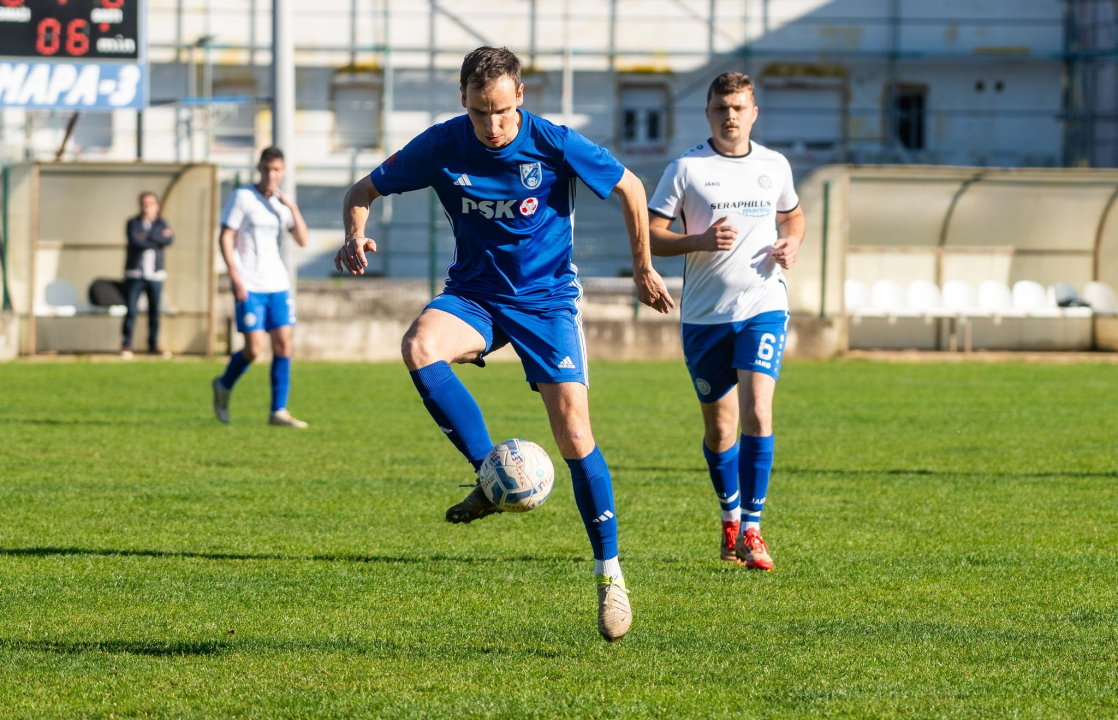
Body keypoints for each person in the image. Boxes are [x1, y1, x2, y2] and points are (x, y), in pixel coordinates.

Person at [336, 46, 674, 641]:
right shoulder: (442, 144)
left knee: (574, 436)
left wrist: (642, 268)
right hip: (475, 296)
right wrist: (355, 234)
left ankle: (610, 575)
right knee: (419, 346)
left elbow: (630, 185)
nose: (491, 126)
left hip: (546, 302)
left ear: (520, 95)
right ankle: (491, 474)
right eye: (478, 112)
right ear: (463, 102)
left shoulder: (553, 141)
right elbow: (362, 190)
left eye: (499, 111)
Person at [647, 72, 806, 571]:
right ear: (709, 112)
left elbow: (793, 216)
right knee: (721, 427)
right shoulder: (686, 169)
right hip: (703, 318)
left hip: (763, 305)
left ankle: (754, 529)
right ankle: (730, 520)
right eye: (721, 107)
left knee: (759, 410)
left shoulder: (774, 165)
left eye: (739, 107)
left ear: (754, 112)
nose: (730, 115)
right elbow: (652, 235)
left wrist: (792, 242)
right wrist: (697, 241)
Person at [212, 146, 310, 428]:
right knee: (254, 349)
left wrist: (292, 207)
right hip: (250, 284)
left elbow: (302, 240)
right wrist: (234, 274)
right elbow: (226, 236)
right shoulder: (243, 196)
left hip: (277, 284)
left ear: (283, 171)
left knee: (283, 345)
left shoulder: (281, 203)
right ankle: (223, 384)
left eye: (277, 169)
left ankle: (278, 411)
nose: (271, 174)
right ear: (259, 168)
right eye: (267, 169)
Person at [122, 192, 173, 359]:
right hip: (135, 274)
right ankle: (126, 344)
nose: (147, 206)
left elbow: (169, 240)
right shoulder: (133, 223)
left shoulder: (162, 223)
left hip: (155, 275)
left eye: (150, 203)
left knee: (154, 312)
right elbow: (136, 241)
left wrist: (148, 236)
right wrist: (157, 238)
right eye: (144, 203)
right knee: (131, 310)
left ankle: (153, 345)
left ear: (156, 206)